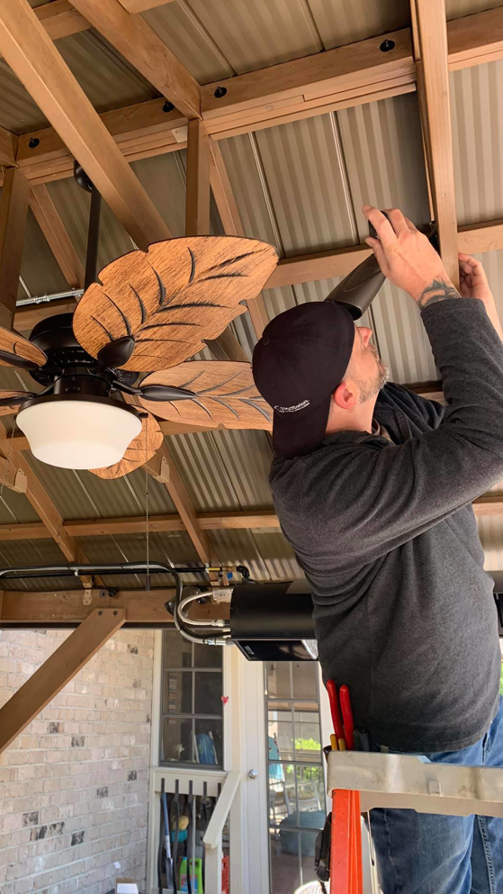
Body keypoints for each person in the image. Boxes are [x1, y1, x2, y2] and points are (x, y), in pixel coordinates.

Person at [252, 206, 503, 894]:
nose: (368, 333)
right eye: (358, 342)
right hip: (415, 750)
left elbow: (470, 431)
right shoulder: (321, 494)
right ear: (340, 390)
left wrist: (473, 324)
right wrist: (434, 295)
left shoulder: (384, 411)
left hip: (480, 717)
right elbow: (489, 444)